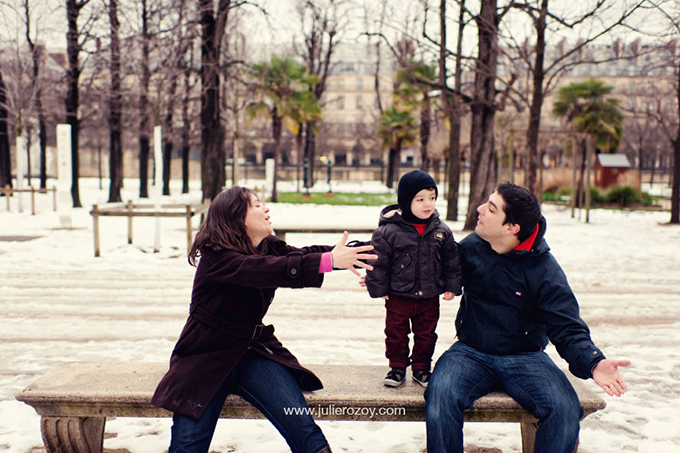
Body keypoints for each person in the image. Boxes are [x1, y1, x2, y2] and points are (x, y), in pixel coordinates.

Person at [151, 186, 377, 453]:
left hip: (252, 352)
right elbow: (266, 270)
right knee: (188, 446)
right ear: (238, 216)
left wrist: (360, 252)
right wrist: (327, 261)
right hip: (204, 357)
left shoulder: (266, 246)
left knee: (305, 434)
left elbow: (301, 255)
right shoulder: (217, 257)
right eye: (257, 205)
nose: (266, 209)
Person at [424, 182, 631, 453]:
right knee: (440, 396)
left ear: (511, 228)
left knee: (564, 407)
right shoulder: (472, 247)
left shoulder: (544, 269)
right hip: (470, 352)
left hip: (526, 357)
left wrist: (593, 362)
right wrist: (385, 275)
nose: (480, 209)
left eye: (491, 208)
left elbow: (567, 326)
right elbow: (429, 269)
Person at [365, 170, 462, 388]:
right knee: (396, 333)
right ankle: (397, 367)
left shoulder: (441, 230)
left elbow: (451, 260)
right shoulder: (388, 231)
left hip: (429, 297)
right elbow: (378, 261)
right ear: (406, 201)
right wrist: (380, 288)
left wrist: (452, 286)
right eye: (420, 199)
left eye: (432, 198)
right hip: (399, 295)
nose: (428, 204)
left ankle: (421, 368)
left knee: (426, 334)